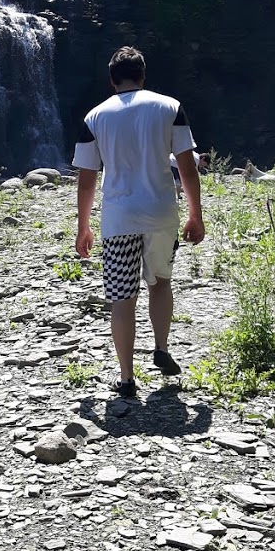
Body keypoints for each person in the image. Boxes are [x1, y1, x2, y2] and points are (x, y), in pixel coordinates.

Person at [72, 46, 205, 398]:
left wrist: (83, 226)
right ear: (143, 75)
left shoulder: (94, 117)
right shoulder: (170, 107)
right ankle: (161, 348)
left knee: (122, 299)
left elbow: (87, 179)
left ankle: (127, 378)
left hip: (118, 219)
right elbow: (187, 166)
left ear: (111, 79)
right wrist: (196, 214)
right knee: (160, 283)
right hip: (161, 213)